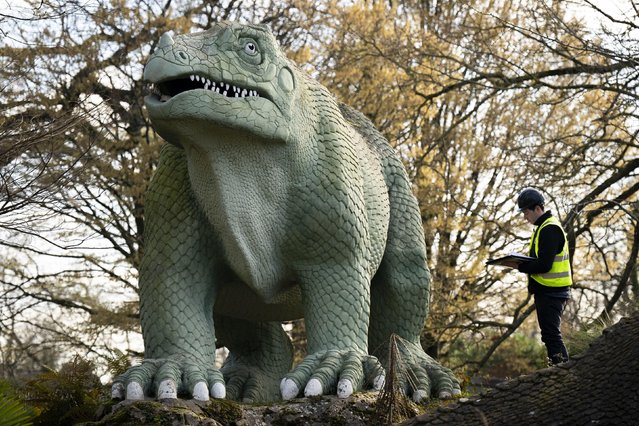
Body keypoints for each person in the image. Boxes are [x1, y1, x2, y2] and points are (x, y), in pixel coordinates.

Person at [506, 188, 572, 366]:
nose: (524, 217)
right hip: (548, 291)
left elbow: (544, 265)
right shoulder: (542, 227)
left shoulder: (549, 229)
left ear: (537, 208)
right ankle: (558, 368)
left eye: (526, 212)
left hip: (553, 292)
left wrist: (519, 266)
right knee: (549, 334)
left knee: (551, 334)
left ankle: (562, 371)